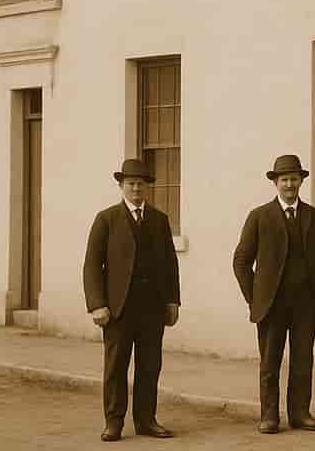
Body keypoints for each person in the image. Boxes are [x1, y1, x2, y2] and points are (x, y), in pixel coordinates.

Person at [233, 154, 315, 434]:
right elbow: (241, 261)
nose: (289, 184)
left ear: (301, 181)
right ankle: (269, 416)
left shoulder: (313, 217)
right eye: (284, 180)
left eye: (294, 179)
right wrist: (254, 297)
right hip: (271, 303)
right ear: (275, 183)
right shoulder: (260, 216)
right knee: (270, 363)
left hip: (306, 302)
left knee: (303, 359)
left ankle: (300, 413)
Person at [82, 158, 180, 442]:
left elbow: (170, 265)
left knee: (150, 366)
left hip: (152, 308)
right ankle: (113, 422)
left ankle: (147, 420)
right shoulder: (107, 219)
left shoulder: (159, 220)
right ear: (122, 185)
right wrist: (97, 304)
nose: (136, 188)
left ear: (147, 187)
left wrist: (172, 301)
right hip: (117, 309)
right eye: (130, 183)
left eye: (140, 183)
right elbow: (91, 265)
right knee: (116, 367)